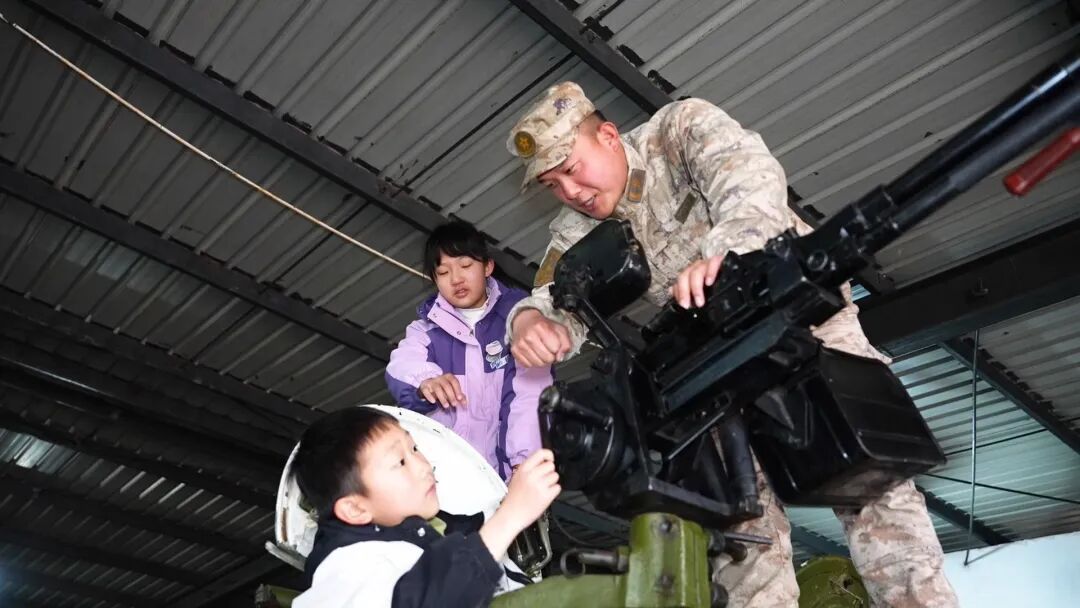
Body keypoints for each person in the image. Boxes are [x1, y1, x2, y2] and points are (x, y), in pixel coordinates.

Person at [503, 81, 959, 607]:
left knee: (870, 482)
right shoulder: (575, 229)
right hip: (711, 355)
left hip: (795, 313)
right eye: (553, 184)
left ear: (607, 136)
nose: (570, 190)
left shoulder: (678, 131)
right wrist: (528, 322)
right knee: (740, 520)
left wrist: (727, 254)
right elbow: (552, 295)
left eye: (571, 167)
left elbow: (748, 178)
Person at [291, 407, 560, 607]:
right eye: (400, 462)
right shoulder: (342, 570)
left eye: (415, 449)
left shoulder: (439, 535)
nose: (424, 466)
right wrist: (511, 516)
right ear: (355, 510)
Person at [385, 220, 551, 480]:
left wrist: (524, 465)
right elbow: (401, 366)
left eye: (465, 265)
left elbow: (530, 397)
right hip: (440, 481)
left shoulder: (519, 321)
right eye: (443, 272)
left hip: (502, 481)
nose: (456, 279)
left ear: (487, 266)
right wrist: (425, 381)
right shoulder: (424, 330)